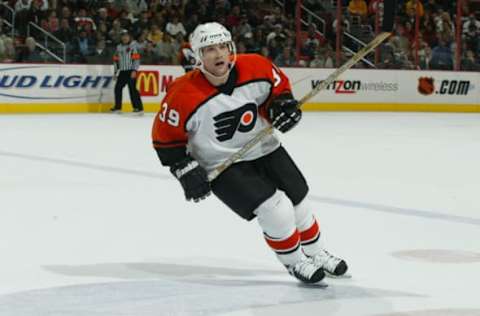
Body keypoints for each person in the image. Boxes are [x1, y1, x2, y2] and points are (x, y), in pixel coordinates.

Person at [151, 22, 348, 284]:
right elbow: (165, 138)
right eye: (210, 49)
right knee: (275, 210)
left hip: (264, 147)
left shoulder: (256, 66)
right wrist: (184, 168)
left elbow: (278, 93)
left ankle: (316, 252)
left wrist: (282, 107)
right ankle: (295, 261)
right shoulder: (182, 93)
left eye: (223, 46)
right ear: (197, 56)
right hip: (221, 163)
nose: (219, 54)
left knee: (299, 198)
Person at [111, 29, 144, 114]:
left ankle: (138, 108)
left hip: (131, 71)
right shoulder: (118, 47)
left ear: (129, 37)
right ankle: (118, 107)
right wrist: (115, 72)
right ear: (121, 38)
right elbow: (116, 60)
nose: (125, 38)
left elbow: (136, 59)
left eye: (126, 36)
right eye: (123, 36)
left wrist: (134, 70)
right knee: (117, 88)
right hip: (122, 71)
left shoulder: (133, 46)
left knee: (132, 89)